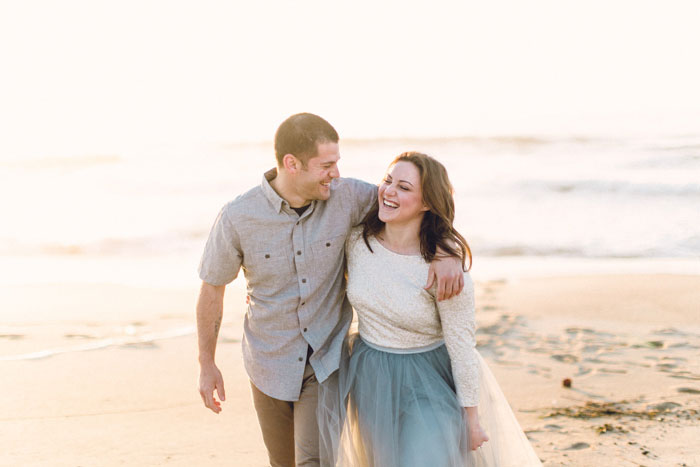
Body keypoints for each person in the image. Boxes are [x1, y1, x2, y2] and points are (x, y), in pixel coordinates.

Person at [196, 114, 466, 467]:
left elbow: (412, 207)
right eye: (326, 165)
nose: (336, 173)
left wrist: (448, 249)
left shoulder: (349, 197)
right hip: (267, 361)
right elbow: (212, 289)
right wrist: (206, 363)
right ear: (291, 164)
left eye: (336, 163)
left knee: (314, 462)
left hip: (325, 361)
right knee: (283, 463)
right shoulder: (237, 216)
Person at [317, 152, 542, 467]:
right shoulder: (356, 241)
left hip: (429, 380)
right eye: (388, 180)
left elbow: (462, 344)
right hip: (371, 377)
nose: (389, 192)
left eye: (404, 187)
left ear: (427, 203)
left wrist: (471, 418)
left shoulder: (446, 271)